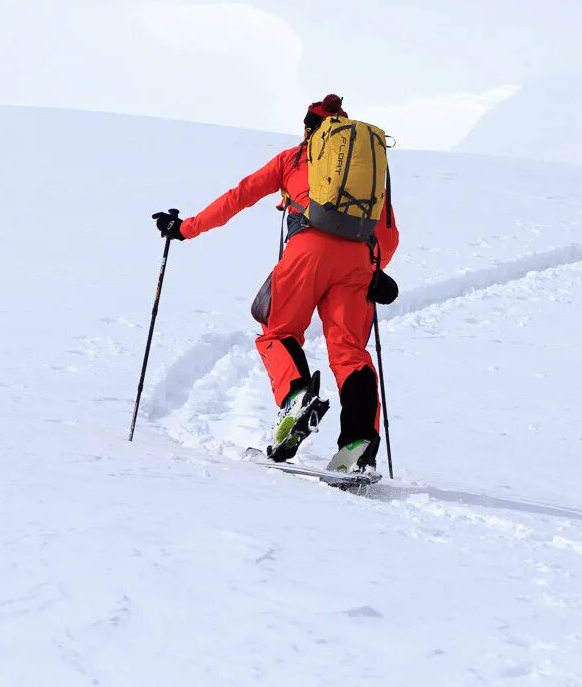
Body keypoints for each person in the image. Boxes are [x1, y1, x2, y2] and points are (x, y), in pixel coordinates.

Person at [152, 94, 399, 473]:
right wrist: (376, 271)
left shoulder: (293, 159)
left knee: (278, 333)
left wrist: (186, 228)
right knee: (350, 352)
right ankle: (358, 445)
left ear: (309, 130)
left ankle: (296, 399)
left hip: (307, 251)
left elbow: (239, 196)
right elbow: (388, 232)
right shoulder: (366, 171)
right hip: (358, 261)